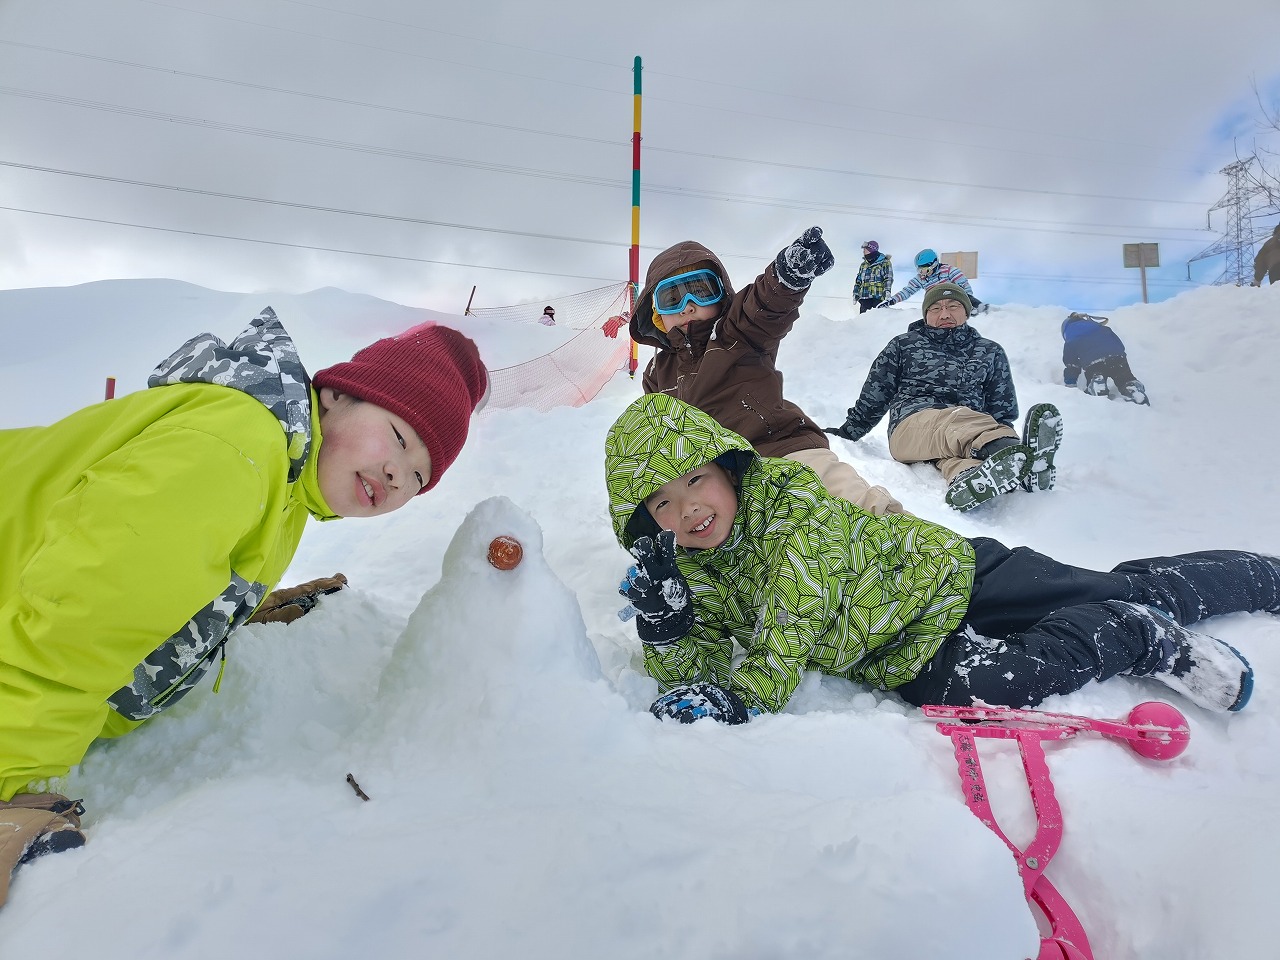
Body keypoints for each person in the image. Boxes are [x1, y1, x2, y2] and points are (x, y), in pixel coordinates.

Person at [0, 307, 489, 903]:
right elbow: (77, 616)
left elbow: (145, 569)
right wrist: (10, 778)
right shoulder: (238, 449)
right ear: (338, 395)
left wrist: (222, 619)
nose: (396, 475)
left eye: (417, 477)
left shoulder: (277, 480)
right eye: (399, 437)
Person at [605, 392, 1279, 726]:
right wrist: (671, 629)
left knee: (1116, 586)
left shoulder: (788, 505)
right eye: (662, 504)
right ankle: (1133, 635)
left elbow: (796, 611)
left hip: (952, 574)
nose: (688, 508)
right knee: (1002, 686)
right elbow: (694, 669)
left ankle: (1255, 578)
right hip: (901, 654)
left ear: (729, 469)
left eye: (696, 480)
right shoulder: (692, 572)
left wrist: (743, 699)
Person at [626, 226, 904, 517]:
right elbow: (660, 433)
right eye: (673, 299)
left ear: (720, 297)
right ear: (657, 315)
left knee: (846, 502)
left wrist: (784, 279)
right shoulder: (658, 372)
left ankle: (905, 540)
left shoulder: (735, 333)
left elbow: (761, 307)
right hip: (720, 481)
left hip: (784, 450)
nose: (688, 307)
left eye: (699, 292)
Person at [827, 282, 1062, 512]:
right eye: (936, 308)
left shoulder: (990, 351)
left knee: (957, 451)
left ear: (966, 312)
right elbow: (876, 392)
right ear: (926, 314)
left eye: (953, 306)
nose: (944, 314)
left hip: (967, 434)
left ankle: (970, 478)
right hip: (911, 427)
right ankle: (1020, 458)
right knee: (956, 423)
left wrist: (1000, 430)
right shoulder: (905, 345)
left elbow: (1001, 411)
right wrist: (847, 433)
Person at [1061, 312, 1149, 406]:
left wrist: (1070, 384)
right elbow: (1119, 344)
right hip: (1117, 357)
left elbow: (1072, 365)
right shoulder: (1098, 327)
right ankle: (1132, 388)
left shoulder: (1071, 337)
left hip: (1093, 362)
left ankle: (1098, 384)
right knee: (1125, 378)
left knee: (1096, 374)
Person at [881, 249, 987, 314]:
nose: (923, 273)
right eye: (920, 270)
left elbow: (964, 286)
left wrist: (967, 301)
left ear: (934, 265)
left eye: (925, 270)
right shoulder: (920, 279)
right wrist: (891, 301)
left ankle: (978, 308)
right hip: (935, 300)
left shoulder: (949, 271)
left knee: (960, 295)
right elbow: (907, 291)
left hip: (953, 298)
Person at [852, 240, 893, 314]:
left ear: (871, 249)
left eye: (865, 249)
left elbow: (888, 278)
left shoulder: (885, 262)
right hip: (864, 299)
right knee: (863, 322)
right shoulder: (863, 265)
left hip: (878, 298)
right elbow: (858, 280)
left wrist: (887, 291)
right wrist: (856, 293)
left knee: (877, 321)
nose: (863, 251)